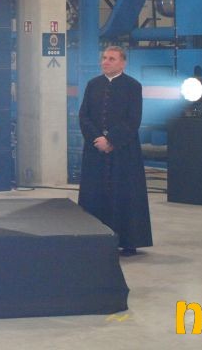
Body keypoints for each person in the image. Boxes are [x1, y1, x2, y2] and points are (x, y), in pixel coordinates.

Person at [78, 46, 152, 256]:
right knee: (95, 194)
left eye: (111, 59)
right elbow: (84, 116)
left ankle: (128, 240)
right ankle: (93, 238)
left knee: (124, 194)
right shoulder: (93, 85)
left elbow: (133, 119)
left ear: (123, 63)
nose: (106, 62)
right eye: (104, 58)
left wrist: (111, 140)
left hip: (123, 150)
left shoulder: (133, 86)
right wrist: (97, 139)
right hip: (95, 149)